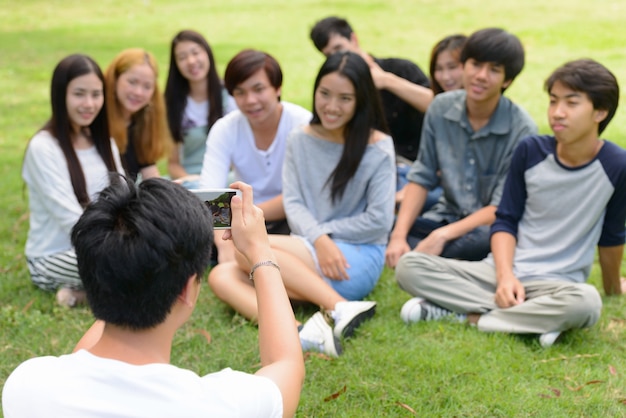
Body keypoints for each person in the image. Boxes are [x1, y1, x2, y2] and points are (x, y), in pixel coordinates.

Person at [2, 178, 305, 417]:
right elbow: (286, 363)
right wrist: (261, 252)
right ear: (187, 290)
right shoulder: (220, 406)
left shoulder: (27, 384)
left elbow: (80, 358)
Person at [396, 58, 626, 348]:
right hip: (498, 271)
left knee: (587, 303)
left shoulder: (617, 165)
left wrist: (613, 287)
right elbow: (506, 219)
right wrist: (505, 278)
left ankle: (471, 317)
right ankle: (533, 321)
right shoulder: (530, 150)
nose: (557, 113)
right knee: (409, 266)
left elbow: (612, 236)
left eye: (571, 103)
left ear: (600, 112)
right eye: (553, 101)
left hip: (556, 284)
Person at [209, 51, 395, 357]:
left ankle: (340, 307)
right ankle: (303, 333)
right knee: (221, 276)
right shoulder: (291, 136)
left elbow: (378, 220)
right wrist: (318, 239)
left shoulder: (378, 147)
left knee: (248, 253)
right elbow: (291, 202)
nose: (331, 106)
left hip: (354, 255)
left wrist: (322, 237)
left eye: (345, 98)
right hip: (305, 248)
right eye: (324, 94)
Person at [385, 28, 537, 267]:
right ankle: (437, 258)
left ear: (507, 80)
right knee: (386, 226)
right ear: (464, 65)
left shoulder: (522, 129)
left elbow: (501, 207)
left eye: (494, 70)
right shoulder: (440, 108)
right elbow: (422, 175)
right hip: (445, 216)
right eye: (475, 65)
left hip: (490, 228)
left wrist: (441, 236)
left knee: (486, 239)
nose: (481, 76)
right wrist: (398, 236)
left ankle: (437, 259)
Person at [21, 54, 124, 308]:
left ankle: (81, 294)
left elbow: (124, 199)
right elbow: (70, 220)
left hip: (104, 246)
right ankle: (94, 293)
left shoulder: (104, 143)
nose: (89, 103)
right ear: (60, 95)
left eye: (96, 94)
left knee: (148, 259)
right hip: (51, 257)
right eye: (79, 94)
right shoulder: (43, 148)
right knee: (131, 267)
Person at [198, 49, 311, 263]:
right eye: (240, 92)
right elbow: (209, 195)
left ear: (277, 88)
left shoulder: (302, 124)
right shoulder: (225, 129)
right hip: (236, 221)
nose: (250, 100)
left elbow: (305, 197)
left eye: (258, 89)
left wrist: (244, 215)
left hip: (290, 220)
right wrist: (224, 245)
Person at [310, 16, 433, 204]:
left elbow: (439, 106)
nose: (337, 57)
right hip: (369, 170)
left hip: (414, 168)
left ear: (354, 39)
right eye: (328, 55)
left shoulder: (400, 69)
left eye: (339, 48)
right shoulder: (337, 89)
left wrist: (387, 81)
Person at [164, 30, 237, 188]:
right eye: (182, 57)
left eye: (195, 53)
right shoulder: (172, 103)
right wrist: (194, 181)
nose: (191, 61)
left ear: (207, 53)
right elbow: (173, 164)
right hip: (189, 179)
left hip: (227, 176)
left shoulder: (231, 96)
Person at [105, 48, 171, 182]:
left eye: (147, 86)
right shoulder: (97, 121)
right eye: (132, 82)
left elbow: (150, 173)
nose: (138, 92)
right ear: (115, 79)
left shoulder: (142, 123)